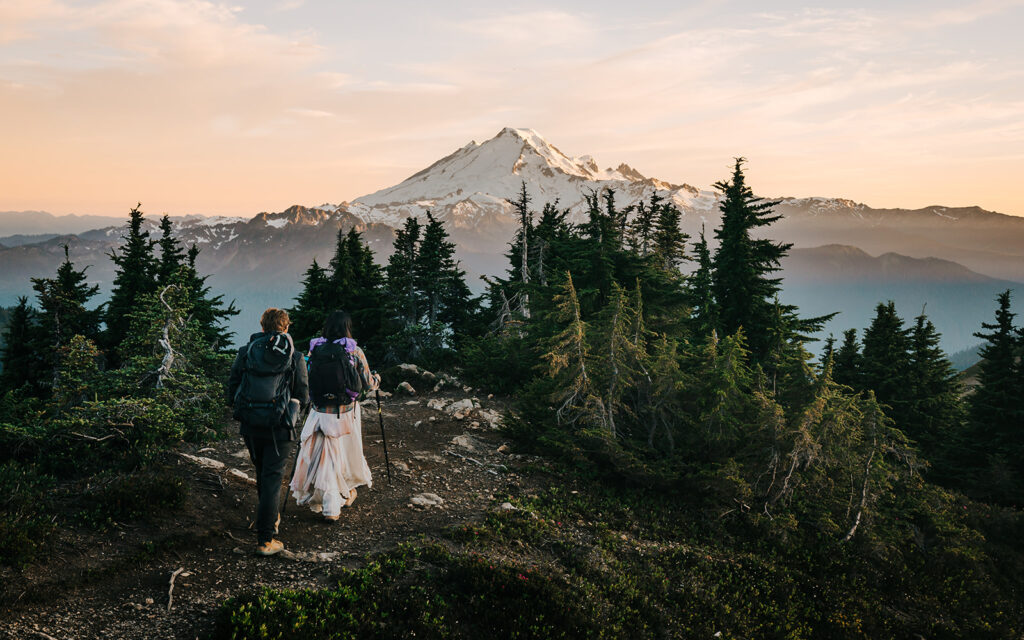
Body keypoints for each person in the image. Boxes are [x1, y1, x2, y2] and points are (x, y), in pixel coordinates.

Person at [227, 308, 309, 556]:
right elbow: (303, 394)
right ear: (285, 328)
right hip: (279, 426)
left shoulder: (246, 351)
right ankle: (265, 540)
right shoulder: (295, 356)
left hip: (251, 425)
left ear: (262, 327)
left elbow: (232, 389)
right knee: (272, 479)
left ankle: (269, 519)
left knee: (263, 474)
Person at [290, 310, 380, 520]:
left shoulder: (315, 350)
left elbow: (308, 377)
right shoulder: (354, 351)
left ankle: (327, 497)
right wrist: (377, 379)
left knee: (323, 455)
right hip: (344, 413)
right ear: (347, 327)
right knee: (341, 454)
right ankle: (335, 501)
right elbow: (367, 383)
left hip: (319, 411)